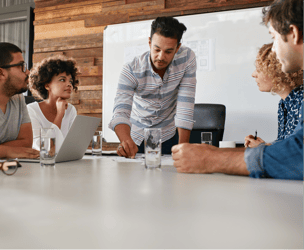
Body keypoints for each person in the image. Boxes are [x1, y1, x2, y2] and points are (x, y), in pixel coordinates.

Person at [172, 0, 303, 180]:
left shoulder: (300, 97)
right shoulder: (286, 104)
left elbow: (298, 156)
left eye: (274, 38)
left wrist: (210, 158)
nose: (273, 49)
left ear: (294, 34)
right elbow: (295, 147)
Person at [109, 16, 197, 158]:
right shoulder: (131, 69)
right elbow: (120, 111)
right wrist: (125, 140)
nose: (161, 57)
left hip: (168, 134)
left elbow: (185, 105)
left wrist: (183, 148)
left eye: (168, 51)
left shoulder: (187, 58)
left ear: (177, 48)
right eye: (157, 49)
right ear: (149, 42)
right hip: (138, 137)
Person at [245, 43, 303, 148]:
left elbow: (296, 153)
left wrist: (264, 148)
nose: (253, 74)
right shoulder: (284, 103)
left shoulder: (300, 101)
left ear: (276, 72)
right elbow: (285, 143)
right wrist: (263, 145)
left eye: (259, 70)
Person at [28, 55, 79, 153]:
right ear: (47, 85)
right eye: (62, 80)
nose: (69, 84)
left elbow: (72, 146)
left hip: (63, 163)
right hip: (40, 165)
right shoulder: (31, 110)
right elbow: (45, 148)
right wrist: (60, 115)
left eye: (71, 81)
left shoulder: (71, 110)